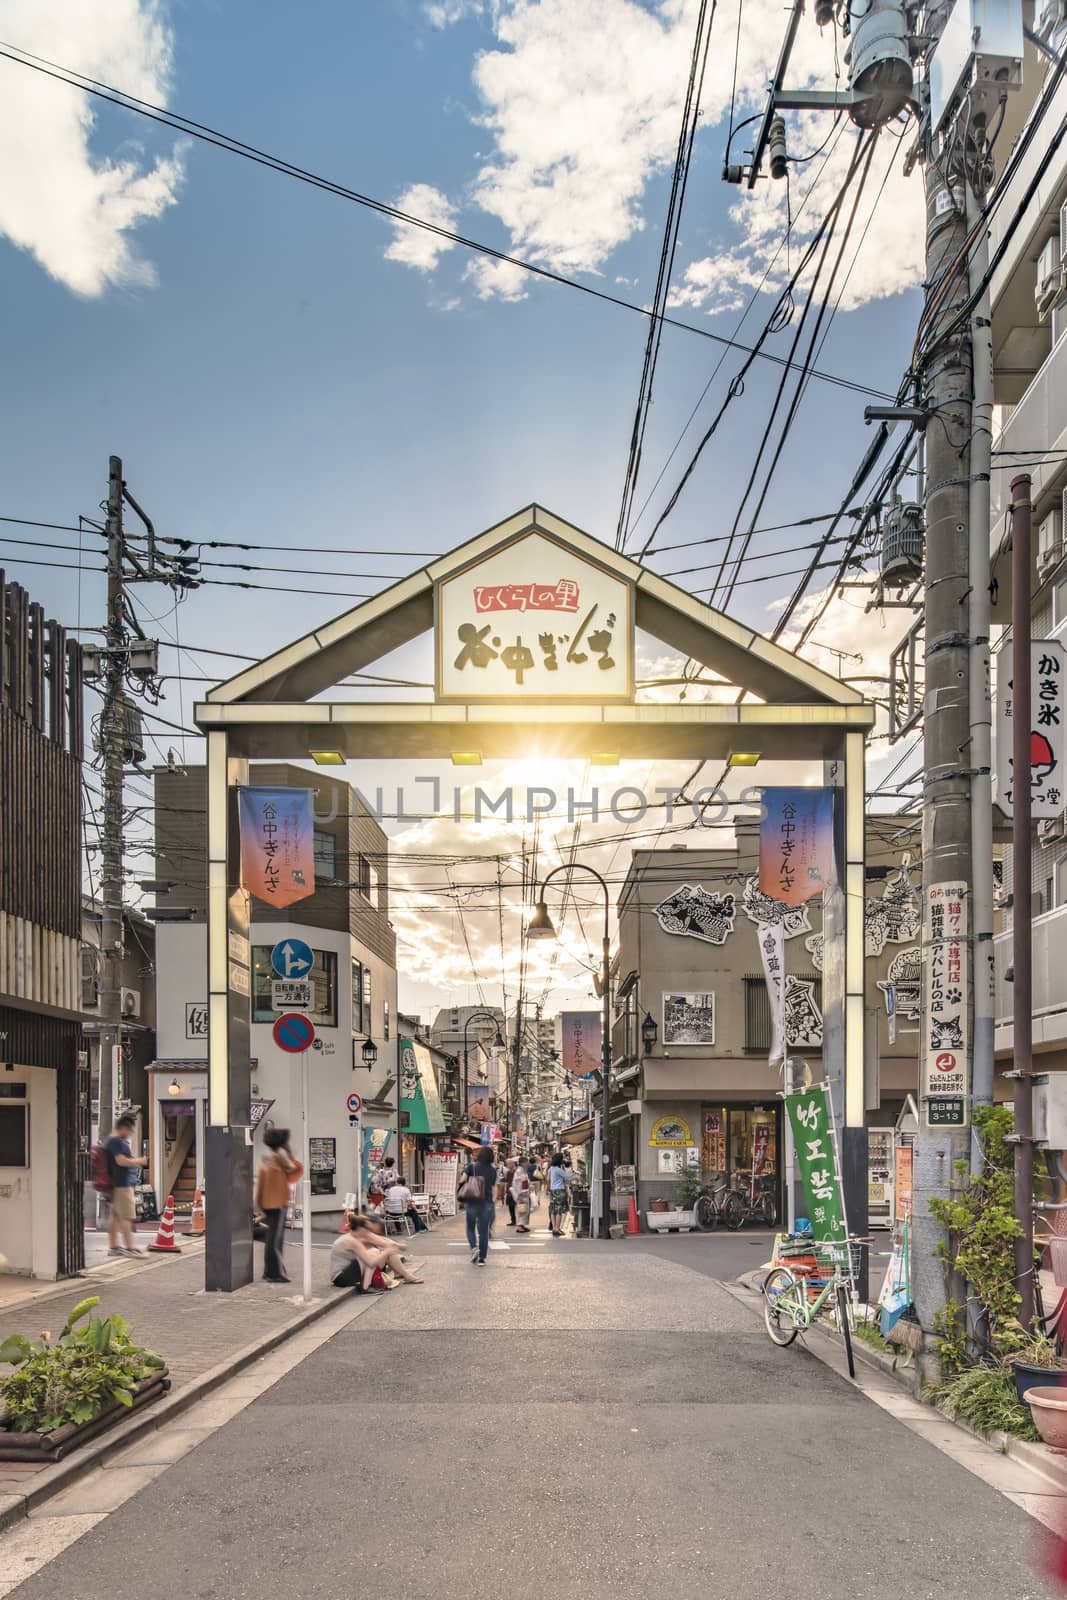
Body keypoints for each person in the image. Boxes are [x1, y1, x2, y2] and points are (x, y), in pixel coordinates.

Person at [255, 1128, 304, 1283]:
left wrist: (259, 1205)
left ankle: (269, 1271)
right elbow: (295, 1168)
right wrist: (288, 1151)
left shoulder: (265, 1158)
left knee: (271, 1238)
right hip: (278, 1203)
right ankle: (275, 1273)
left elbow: (260, 1183)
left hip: (267, 1203)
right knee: (276, 1240)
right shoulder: (278, 1158)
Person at [330, 1211, 424, 1292]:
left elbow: (383, 1241)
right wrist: (386, 1251)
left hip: (348, 1272)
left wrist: (391, 1248)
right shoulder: (352, 1241)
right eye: (368, 1229)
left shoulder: (355, 1236)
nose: (370, 1232)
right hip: (341, 1277)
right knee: (375, 1252)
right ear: (361, 1228)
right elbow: (371, 1263)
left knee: (381, 1251)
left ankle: (403, 1274)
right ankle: (366, 1287)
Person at [105, 1114, 145, 1257]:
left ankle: (114, 1246)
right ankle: (129, 1247)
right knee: (126, 1217)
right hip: (122, 1184)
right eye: (130, 1130)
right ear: (123, 1128)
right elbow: (121, 1161)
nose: (130, 1134)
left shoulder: (112, 1141)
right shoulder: (116, 1142)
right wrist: (139, 1161)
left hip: (116, 1184)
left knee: (115, 1217)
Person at [461, 1145, 497, 1265]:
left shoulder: (472, 1167)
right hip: (487, 1202)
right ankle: (482, 1258)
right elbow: (493, 1186)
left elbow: (462, 1179)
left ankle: (473, 1247)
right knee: (483, 1231)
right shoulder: (493, 1170)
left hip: (472, 1201)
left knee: (470, 1227)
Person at [547, 1151, 573, 1238]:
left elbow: (548, 1178)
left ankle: (554, 1228)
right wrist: (575, 1175)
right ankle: (557, 1228)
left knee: (553, 1209)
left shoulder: (551, 1169)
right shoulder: (558, 1170)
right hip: (560, 1190)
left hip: (553, 1190)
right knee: (559, 1210)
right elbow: (568, 1177)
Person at [511, 1161, 532, 1233]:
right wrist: (518, 1195)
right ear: (522, 1163)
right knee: (521, 1210)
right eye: (526, 1162)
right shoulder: (519, 1171)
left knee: (524, 1210)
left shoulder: (523, 1171)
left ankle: (522, 1225)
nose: (528, 1164)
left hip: (524, 1193)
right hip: (521, 1193)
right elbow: (516, 1184)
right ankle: (519, 1226)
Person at [502, 1160, 517, 1226]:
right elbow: (507, 1180)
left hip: (515, 1191)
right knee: (511, 1207)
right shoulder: (508, 1172)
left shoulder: (515, 1171)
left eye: (508, 1164)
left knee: (516, 1206)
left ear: (512, 1164)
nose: (507, 1165)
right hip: (510, 1191)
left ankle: (517, 1220)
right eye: (507, 1164)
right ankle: (513, 1220)